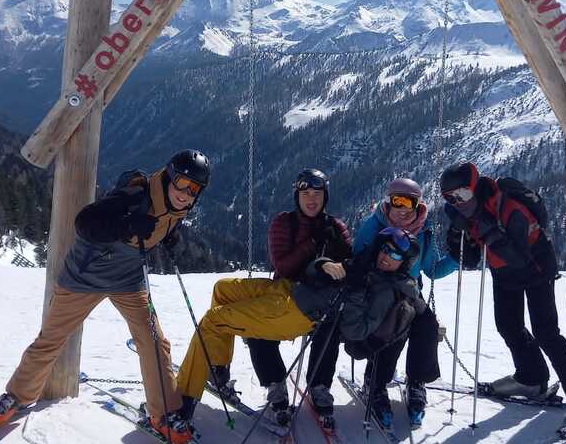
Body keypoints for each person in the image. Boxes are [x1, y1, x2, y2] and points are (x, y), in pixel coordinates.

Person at [0, 149, 211, 444]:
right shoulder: (135, 195)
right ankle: (15, 397)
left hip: (128, 280)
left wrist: (169, 235)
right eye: (182, 182)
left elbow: (164, 222)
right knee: (52, 338)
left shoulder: (177, 207)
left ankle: (164, 413)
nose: (186, 193)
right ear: (168, 176)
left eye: (195, 188)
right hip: (84, 276)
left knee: (154, 341)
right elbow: (86, 222)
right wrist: (127, 225)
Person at [173, 223, 423, 437]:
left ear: (405, 263)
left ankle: (181, 407)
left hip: (297, 312)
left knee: (213, 321)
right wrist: (325, 264)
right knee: (223, 289)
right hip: (290, 290)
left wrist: (356, 291)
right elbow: (317, 270)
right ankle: (217, 369)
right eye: (386, 248)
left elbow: (355, 331)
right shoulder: (367, 264)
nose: (387, 256)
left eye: (396, 255)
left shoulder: (386, 291)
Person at [440, 162, 566, 435]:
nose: (458, 202)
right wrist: (458, 233)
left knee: (546, 333)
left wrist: (486, 231)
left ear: (475, 187)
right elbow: (469, 260)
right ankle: (531, 378)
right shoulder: (471, 213)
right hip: (504, 274)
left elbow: (520, 256)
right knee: (508, 326)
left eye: (463, 194)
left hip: (536, 269)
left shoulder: (507, 205)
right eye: (451, 198)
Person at [243, 168, 351, 429]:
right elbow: (284, 265)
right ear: (297, 196)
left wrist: (338, 261)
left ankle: (319, 385)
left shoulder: (336, 227)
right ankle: (275, 385)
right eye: (305, 193)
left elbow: (350, 264)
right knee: (258, 328)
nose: (311, 199)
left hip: (320, 299)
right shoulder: (284, 223)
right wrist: (313, 245)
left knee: (331, 323)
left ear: (325, 196)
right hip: (285, 293)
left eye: (317, 193)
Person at [353, 177, 458, 427]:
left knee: (427, 325)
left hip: (410, 292)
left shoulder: (423, 231)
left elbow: (432, 269)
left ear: (417, 204)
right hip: (377, 291)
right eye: (397, 201)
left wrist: (457, 258)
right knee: (393, 326)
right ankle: (376, 382)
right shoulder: (374, 226)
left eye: (408, 202)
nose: (402, 208)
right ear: (388, 202)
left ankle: (416, 380)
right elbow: (357, 258)